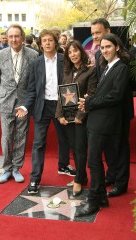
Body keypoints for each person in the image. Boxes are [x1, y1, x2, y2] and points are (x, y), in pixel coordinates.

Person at [75, 33, 131, 216]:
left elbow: (116, 96)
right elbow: (104, 93)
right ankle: (101, 198)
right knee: (95, 161)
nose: (105, 50)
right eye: (103, 47)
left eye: (108, 47)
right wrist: (89, 100)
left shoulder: (121, 68)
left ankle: (93, 201)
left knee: (93, 162)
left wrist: (90, 102)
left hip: (105, 122)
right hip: (97, 120)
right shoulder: (107, 67)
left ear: (118, 48)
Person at [16, 29, 75, 194]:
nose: (47, 43)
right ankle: (35, 179)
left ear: (55, 42)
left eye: (50, 40)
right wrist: (26, 106)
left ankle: (63, 165)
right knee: (38, 144)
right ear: (40, 44)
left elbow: (70, 83)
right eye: (44, 41)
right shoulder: (35, 63)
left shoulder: (64, 61)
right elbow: (31, 90)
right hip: (42, 106)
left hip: (60, 106)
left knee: (65, 139)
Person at [92, 18, 134, 197]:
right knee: (109, 147)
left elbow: (123, 88)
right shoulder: (97, 55)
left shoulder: (128, 57)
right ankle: (111, 175)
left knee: (120, 147)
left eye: (98, 33)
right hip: (105, 111)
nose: (95, 37)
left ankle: (121, 182)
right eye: (93, 34)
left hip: (121, 111)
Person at [0, 24, 38, 183]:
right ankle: (6, 169)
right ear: (7, 37)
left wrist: (25, 99)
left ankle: (17, 168)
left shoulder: (33, 55)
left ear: (22, 37)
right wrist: (6, 94)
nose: (13, 39)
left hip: (23, 103)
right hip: (5, 101)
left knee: (21, 136)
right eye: (10, 36)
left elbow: (34, 80)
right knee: (6, 137)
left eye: (16, 36)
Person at [55, 40, 97, 196]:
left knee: (80, 149)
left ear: (81, 51)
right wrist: (59, 115)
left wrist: (80, 116)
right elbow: (61, 95)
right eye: (69, 52)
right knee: (73, 147)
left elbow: (91, 95)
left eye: (75, 51)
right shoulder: (67, 71)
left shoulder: (90, 71)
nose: (73, 54)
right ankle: (82, 176)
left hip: (82, 119)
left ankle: (78, 180)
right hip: (67, 119)